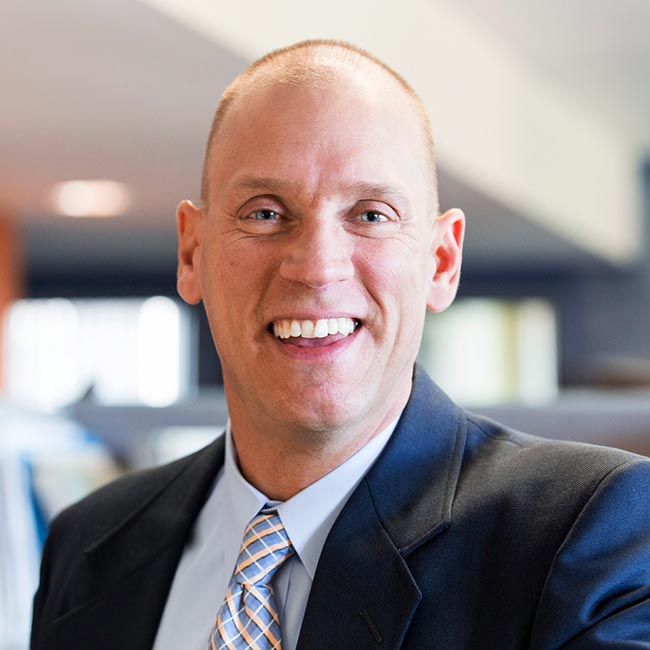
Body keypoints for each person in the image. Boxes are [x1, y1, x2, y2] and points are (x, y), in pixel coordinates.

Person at [31, 40, 650, 650]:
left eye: (371, 214)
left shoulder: (590, 536)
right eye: (265, 213)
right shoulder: (90, 543)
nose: (317, 268)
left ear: (441, 260)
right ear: (192, 253)